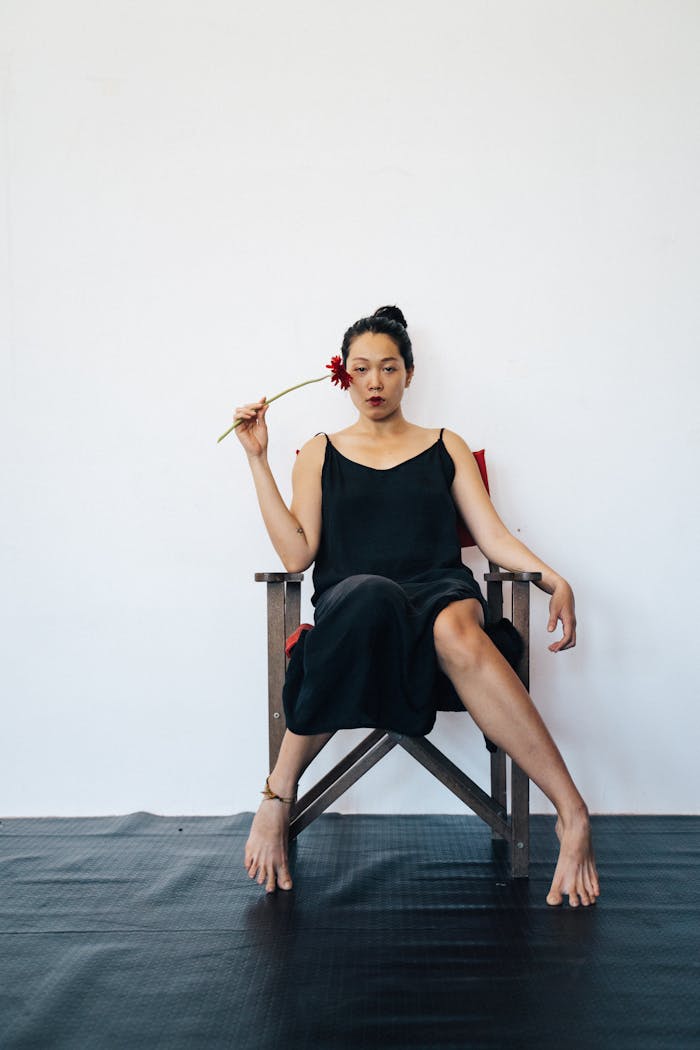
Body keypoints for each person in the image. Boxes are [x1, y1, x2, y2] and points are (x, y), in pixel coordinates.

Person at [234, 305, 600, 908]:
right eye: (361, 369)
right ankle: (276, 798)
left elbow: (493, 537)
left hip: (439, 594)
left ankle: (572, 812)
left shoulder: (443, 445)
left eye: (388, 368)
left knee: (457, 624)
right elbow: (298, 555)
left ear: (409, 374)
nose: (374, 382)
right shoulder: (318, 452)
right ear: (343, 376)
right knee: (372, 595)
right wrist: (257, 460)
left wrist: (552, 578)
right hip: (356, 607)